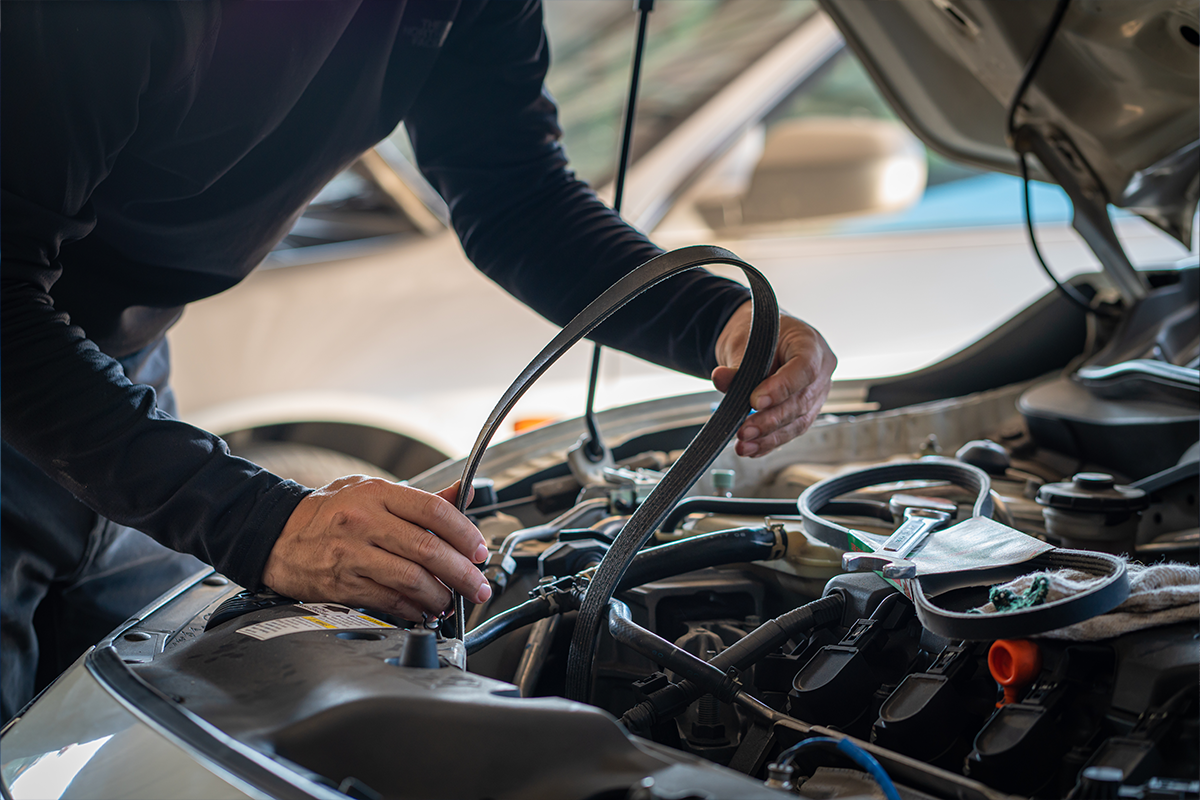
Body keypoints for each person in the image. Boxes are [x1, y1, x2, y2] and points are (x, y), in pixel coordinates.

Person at [0, 0, 836, 723]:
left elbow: (513, 191)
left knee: (126, 735)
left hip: (109, 381)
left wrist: (722, 320)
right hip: (30, 370)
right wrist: (261, 524)